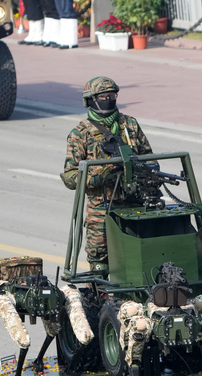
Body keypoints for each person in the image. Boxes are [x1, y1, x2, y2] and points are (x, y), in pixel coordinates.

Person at [61, 77, 152, 274]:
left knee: (141, 252)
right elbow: (70, 176)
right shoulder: (80, 134)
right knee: (100, 260)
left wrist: (140, 168)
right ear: (91, 100)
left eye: (112, 95)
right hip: (101, 206)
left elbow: (149, 158)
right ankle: (101, 297)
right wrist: (102, 172)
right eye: (103, 96)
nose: (109, 99)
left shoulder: (130, 125)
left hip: (134, 201)